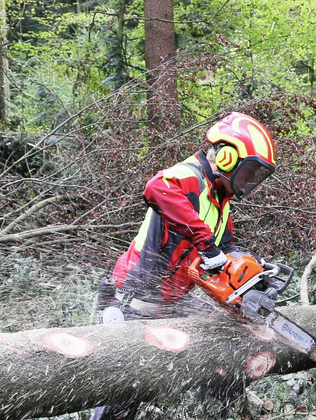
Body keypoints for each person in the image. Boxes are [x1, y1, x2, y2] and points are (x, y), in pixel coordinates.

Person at [91, 111, 276, 420]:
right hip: (134, 301)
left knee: (226, 340)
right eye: (249, 172)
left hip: (172, 302)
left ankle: (218, 411)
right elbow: (155, 189)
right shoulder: (188, 175)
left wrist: (249, 269)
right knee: (125, 392)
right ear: (228, 157)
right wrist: (206, 243)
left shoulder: (219, 202)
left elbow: (225, 247)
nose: (249, 181)